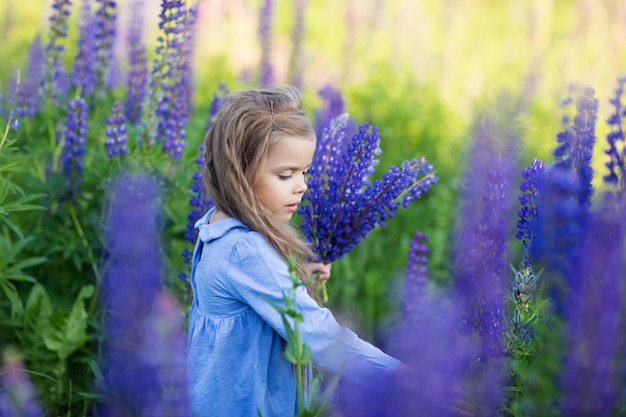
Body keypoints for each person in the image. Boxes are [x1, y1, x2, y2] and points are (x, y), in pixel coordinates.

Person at [186, 85, 472, 417]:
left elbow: (248, 293)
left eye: (304, 171)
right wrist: (401, 378)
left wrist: (291, 277)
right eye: (285, 174)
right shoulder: (245, 251)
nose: (303, 185)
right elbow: (317, 336)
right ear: (239, 174)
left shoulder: (216, 227)